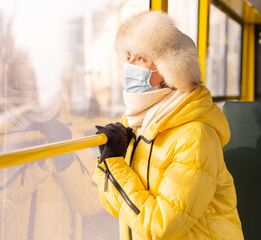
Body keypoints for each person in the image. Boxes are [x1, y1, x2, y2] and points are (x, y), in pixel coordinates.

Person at [92, 11, 244, 240]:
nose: (129, 66)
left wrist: (113, 166)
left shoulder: (195, 136)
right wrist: (109, 162)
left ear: (169, 71)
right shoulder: (135, 124)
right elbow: (118, 208)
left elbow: (161, 227)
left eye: (141, 58)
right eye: (128, 56)